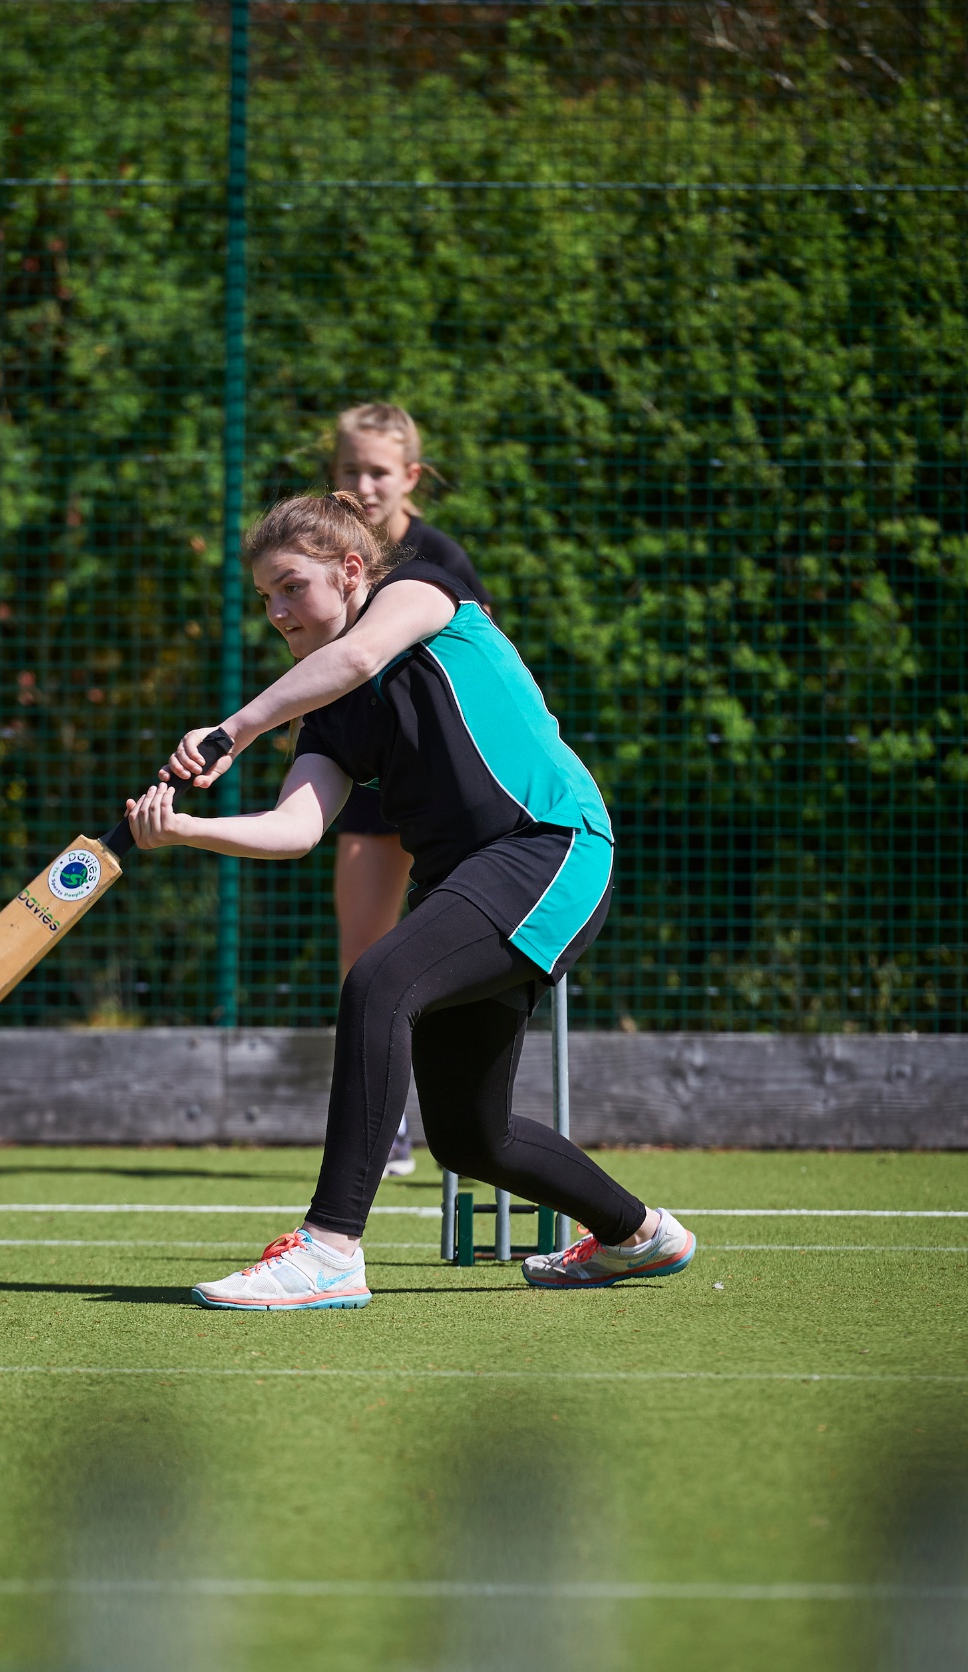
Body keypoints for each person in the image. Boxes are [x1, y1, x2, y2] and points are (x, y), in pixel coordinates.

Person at [126, 490, 695, 1308]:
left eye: (291, 586)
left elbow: (360, 657)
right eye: (265, 597)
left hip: (548, 845)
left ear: (351, 570)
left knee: (377, 982)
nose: (276, 611)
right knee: (471, 1136)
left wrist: (234, 730)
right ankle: (638, 1235)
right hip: (469, 881)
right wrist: (185, 830)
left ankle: (329, 1249)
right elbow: (295, 830)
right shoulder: (323, 714)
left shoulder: (422, 591)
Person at [329, 403, 489, 1178]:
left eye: (378, 471)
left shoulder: (439, 559)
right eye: (349, 470)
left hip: (446, 786)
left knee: (452, 953)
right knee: (363, 955)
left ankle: (468, 1114)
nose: (363, 485)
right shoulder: (326, 556)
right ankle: (382, 1125)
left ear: (410, 476)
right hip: (371, 780)